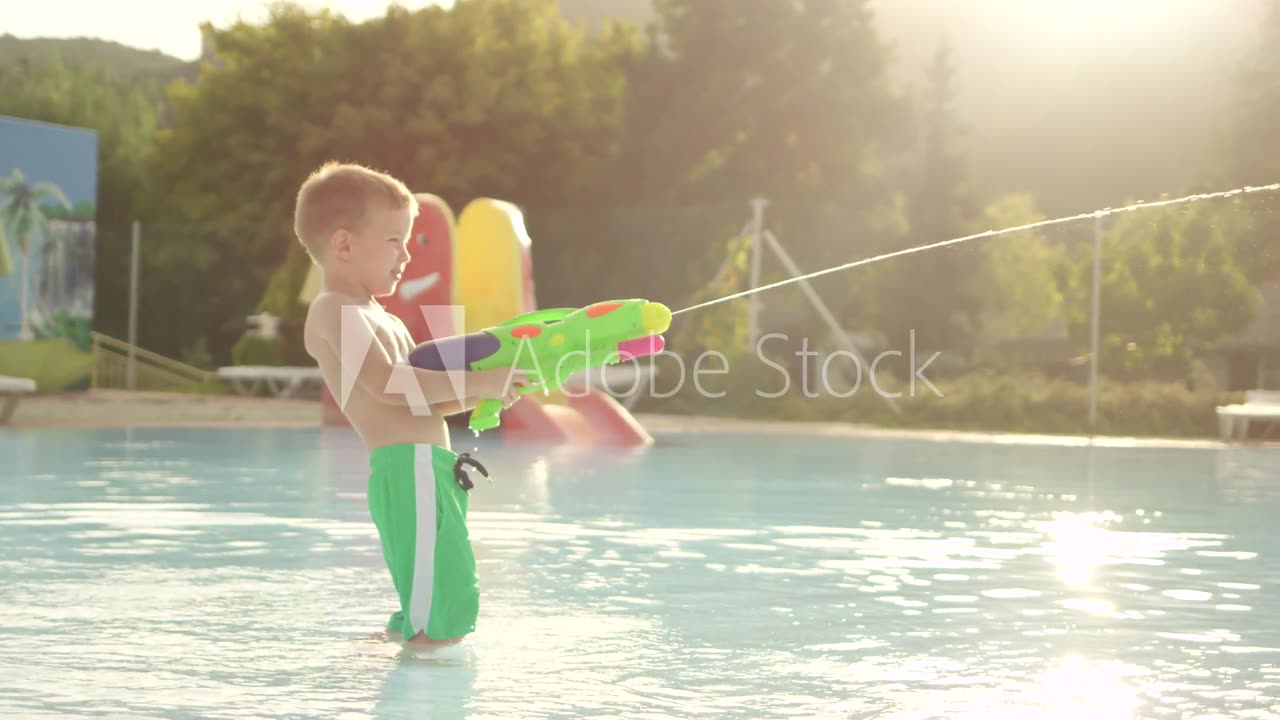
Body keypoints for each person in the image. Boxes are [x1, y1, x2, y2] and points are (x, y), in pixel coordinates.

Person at [297, 161, 523, 646]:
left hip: (429, 471)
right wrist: (481, 381)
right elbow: (390, 385)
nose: (406, 256)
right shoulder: (334, 310)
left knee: (435, 602)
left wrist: (486, 390)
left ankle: (385, 670)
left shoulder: (383, 320)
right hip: (409, 471)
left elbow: (420, 404)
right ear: (343, 244)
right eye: (394, 240)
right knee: (442, 616)